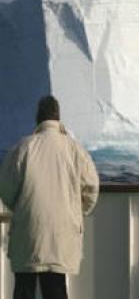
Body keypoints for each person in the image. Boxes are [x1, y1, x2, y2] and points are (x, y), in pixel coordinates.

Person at [0, 95, 99, 299]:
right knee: (56, 289)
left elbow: (6, 189)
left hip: (28, 234)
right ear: (58, 118)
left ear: (38, 118)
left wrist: (19, 208)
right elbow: (91, 188)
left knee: (24, 290)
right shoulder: (75, 150)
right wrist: (77, 211)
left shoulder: (23, 148)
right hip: (61, 234)